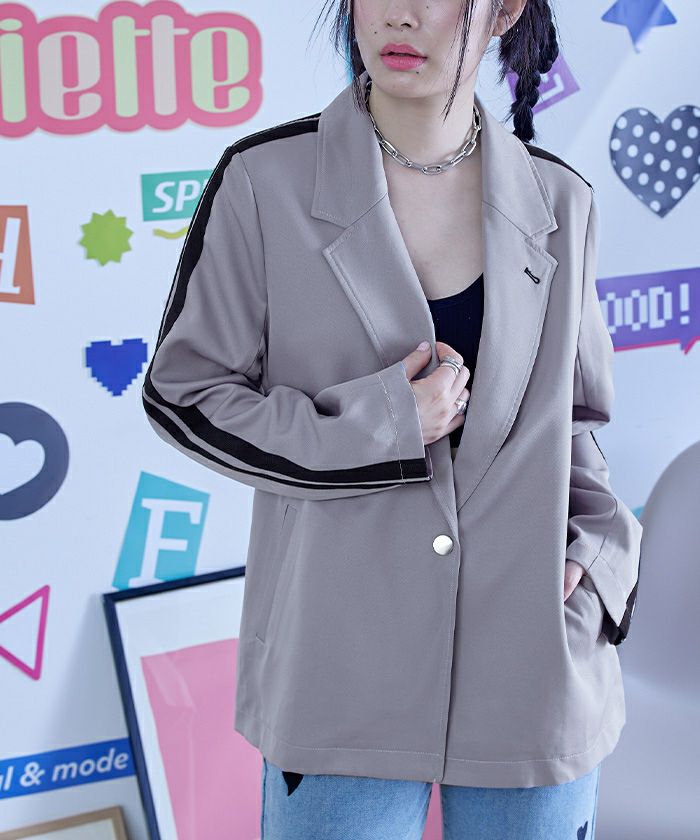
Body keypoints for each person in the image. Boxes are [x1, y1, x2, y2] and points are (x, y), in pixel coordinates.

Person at [143, 0, 642, 837]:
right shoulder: (265, 182)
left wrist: (594, 561)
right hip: (340, 666)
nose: (400, 15)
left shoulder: (561, 198)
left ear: (503, 11)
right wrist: (378, 424)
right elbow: (185, 394)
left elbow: (576, 420)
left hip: (533, 669)